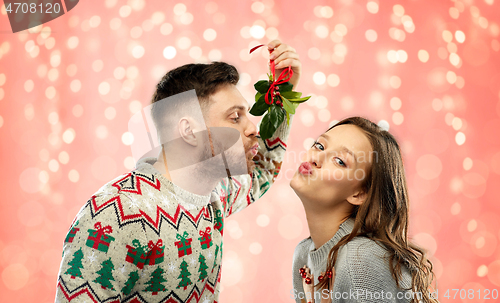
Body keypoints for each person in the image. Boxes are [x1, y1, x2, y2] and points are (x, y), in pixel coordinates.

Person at [55, 40, 301, 302]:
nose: (253, 128)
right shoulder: (114, 214)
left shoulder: (214, 194)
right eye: (235, 117)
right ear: (188, 132)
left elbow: (261, 171)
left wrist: (283, 92)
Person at [290, 117, 439, 303]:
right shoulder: (303, 255)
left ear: (359, 193)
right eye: (319, 146)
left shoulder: (360, 260)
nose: (316, 158)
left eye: (339, 161)